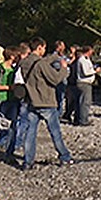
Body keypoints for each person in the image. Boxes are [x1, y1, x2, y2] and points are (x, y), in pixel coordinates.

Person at [20, 37, 74, 170]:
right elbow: (55, 79)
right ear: (39, 48)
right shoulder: (41, 64)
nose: (44, 51)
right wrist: (64, 68)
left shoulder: (24, 62)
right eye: (43, 48)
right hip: (46, 101)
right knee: (55, 132)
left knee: (30, 133)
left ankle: (28, 161)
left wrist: (54, 57)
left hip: (31, 101)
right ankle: (64, 156)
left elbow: (41, 62)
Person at [74, 46, 100, 126]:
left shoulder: (85, 59)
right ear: (88, 51)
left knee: (80, 102)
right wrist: (95, 71)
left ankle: (78, 119)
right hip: (84, 83)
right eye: (91, 51)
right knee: (85, 102)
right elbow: (86, 72)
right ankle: (83, 120)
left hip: (83, 83)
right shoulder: (83, 60)